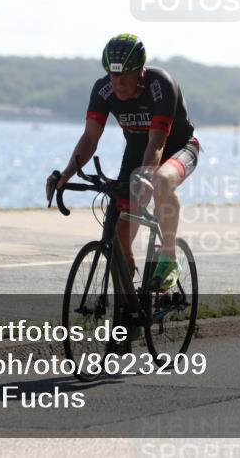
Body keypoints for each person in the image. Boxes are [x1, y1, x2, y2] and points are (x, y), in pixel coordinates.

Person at [45, 34, 200, 290]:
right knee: (119, 235)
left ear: (140, 71)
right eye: (113, 75)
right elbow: (90, 137)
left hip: (178, 148)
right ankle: (127, 313)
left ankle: (169, 258)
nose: (118, 83)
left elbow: (158, 143)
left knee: (161, 180)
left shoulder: (161, 85)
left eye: (125, 75)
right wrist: (66, 174)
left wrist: (147, 177)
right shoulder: (103, 89)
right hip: (137, 151)